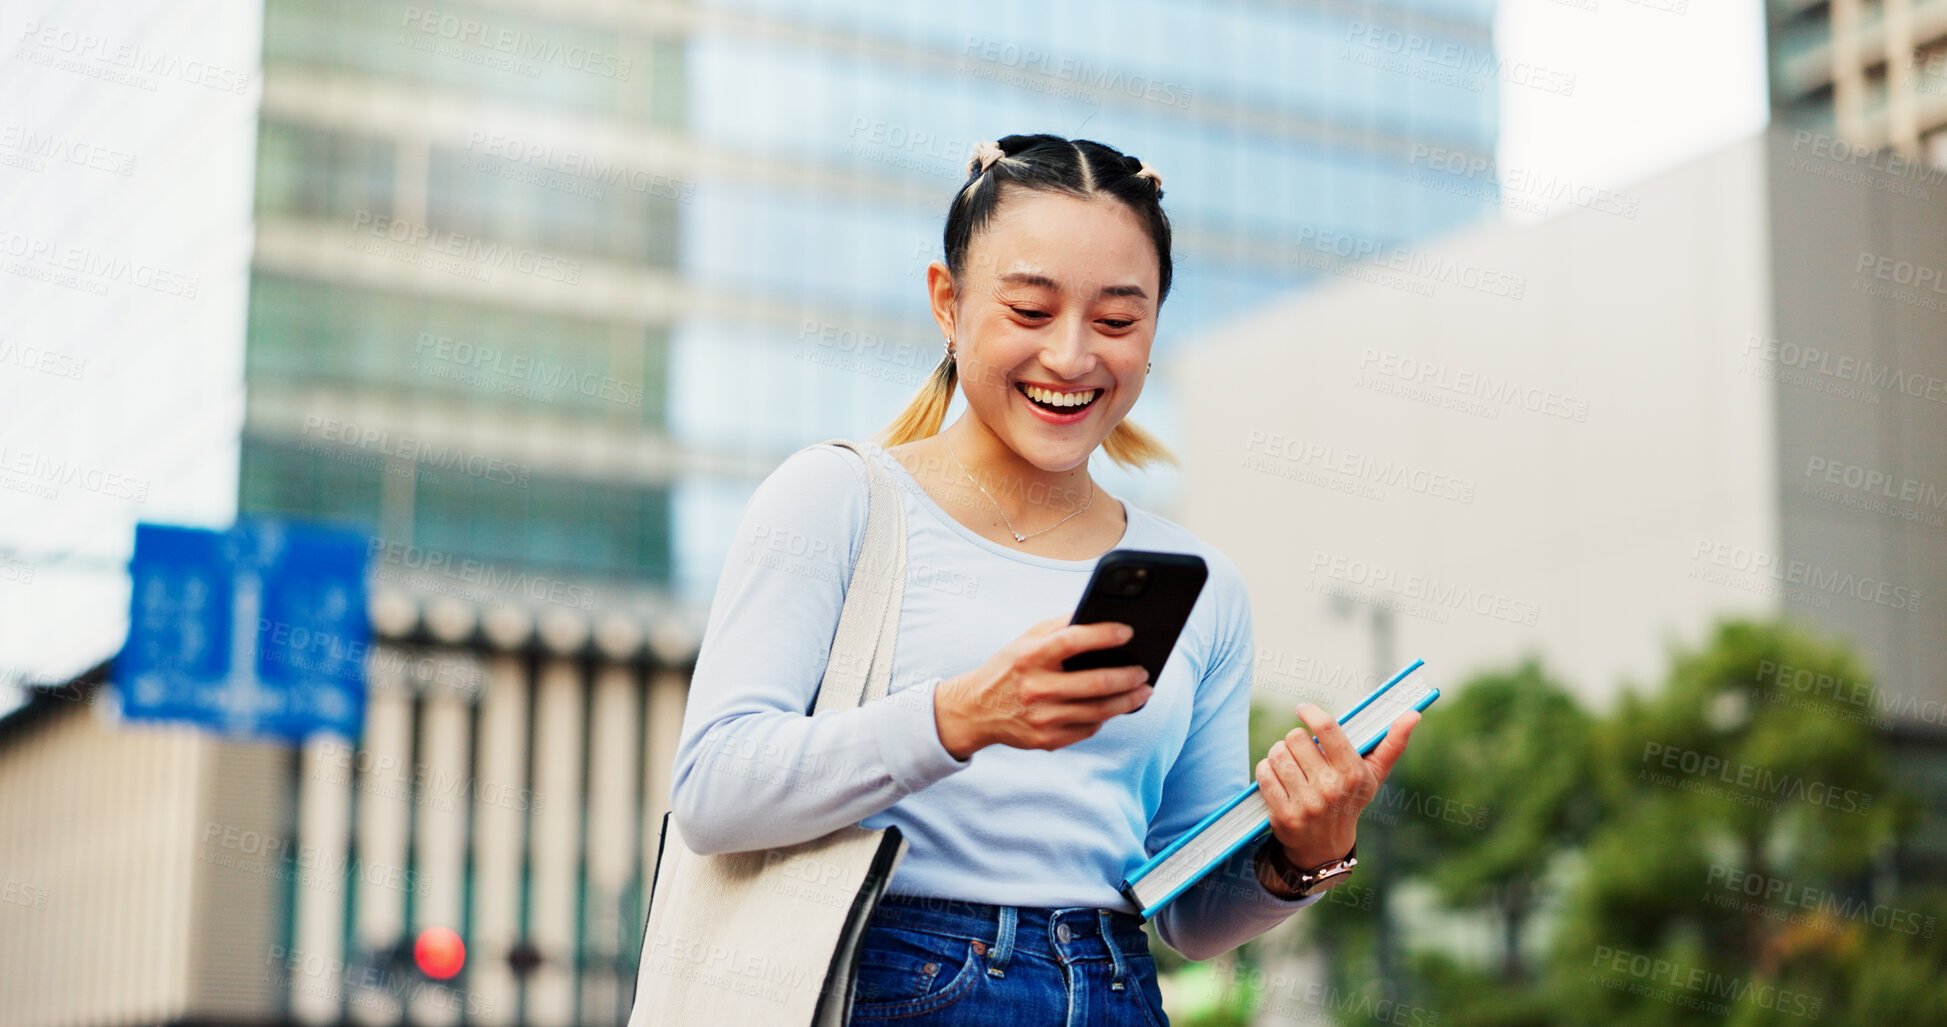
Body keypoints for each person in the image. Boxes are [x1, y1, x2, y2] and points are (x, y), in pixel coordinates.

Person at [668, 133, 1421, 1026]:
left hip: (1115, 989)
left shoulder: (1202, 584)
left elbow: (1187, 912)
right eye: (1029, 311)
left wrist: (1301, 855)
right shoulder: (839, 500)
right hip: (884, 981)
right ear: (946, 303)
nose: (1070, 358)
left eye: (1115, 322)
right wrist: (962, 716)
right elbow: (713, 791)